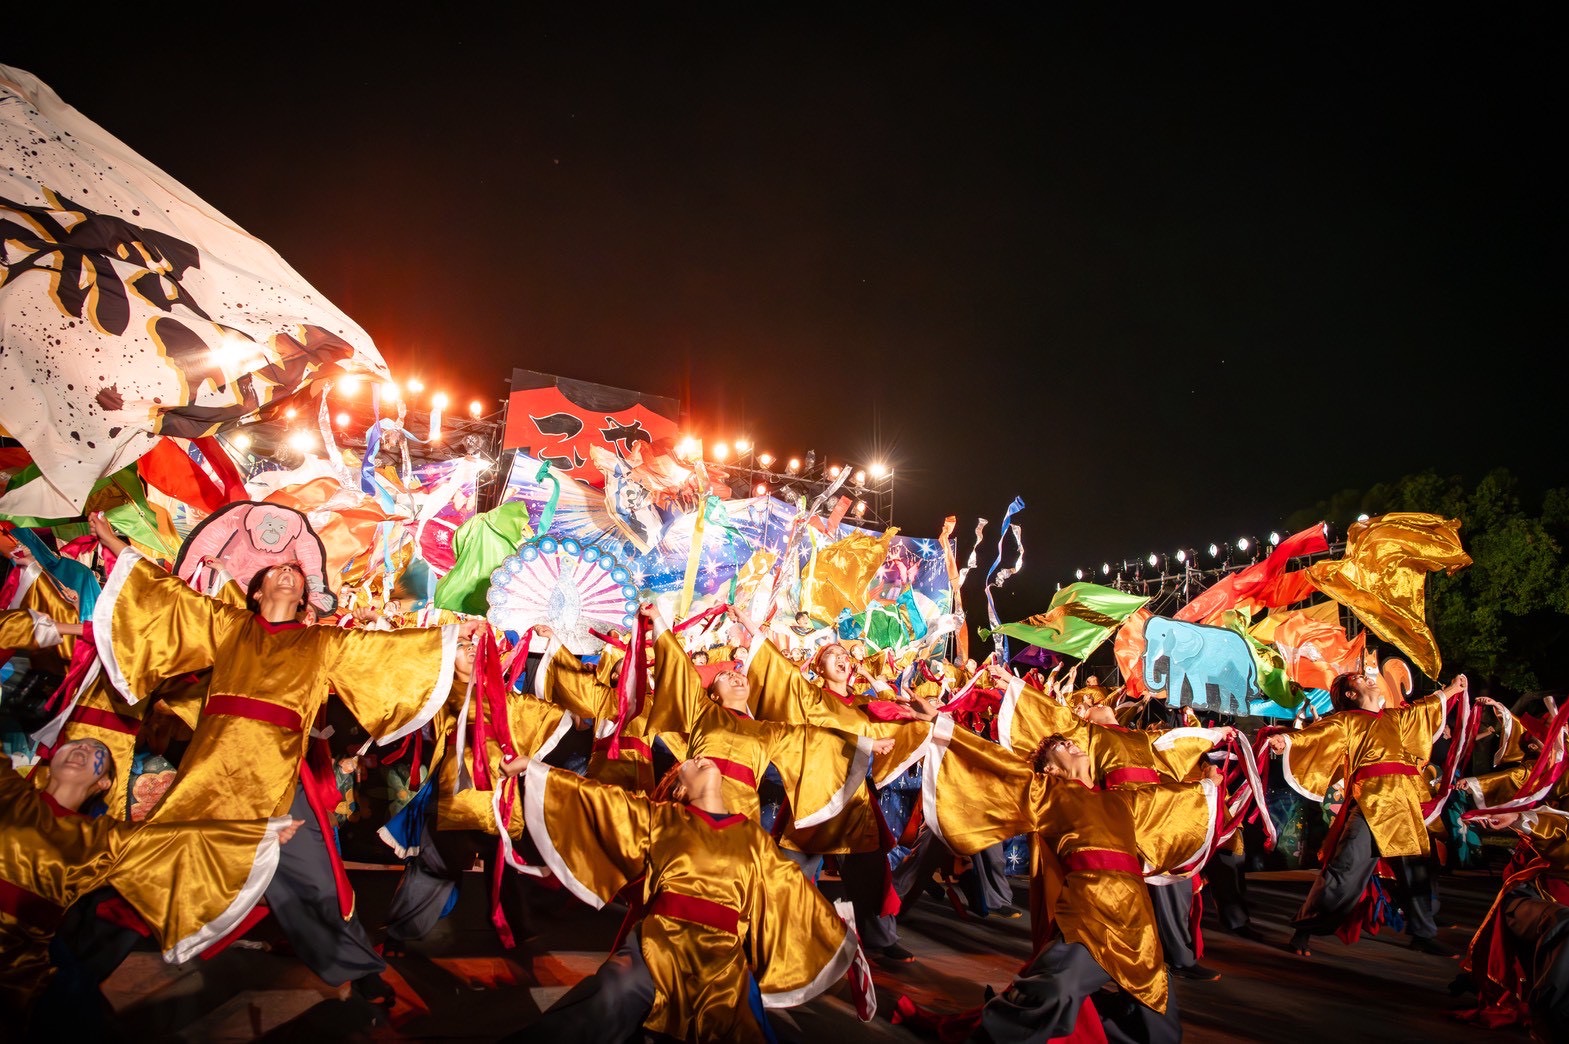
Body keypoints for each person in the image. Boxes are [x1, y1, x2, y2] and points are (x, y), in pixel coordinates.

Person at [81, 510, 479, 1000]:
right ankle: (75, 970)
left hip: (280, 786)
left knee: (316, 884)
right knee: (160, 864)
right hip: (209, 778)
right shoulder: (226, 625)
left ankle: (360, 974)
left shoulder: (322, 642)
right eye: (275, 569)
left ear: (305, 598)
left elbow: (384, 651)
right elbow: (167, 597)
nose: (288, 570)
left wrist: (449, 642)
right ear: (255, 590)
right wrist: (113, 543)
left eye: (295, 570)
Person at [500, 754, 874, 1042]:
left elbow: (793, 892)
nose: (700, 759)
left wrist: (843, 943)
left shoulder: (754, 839)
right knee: (603, 1006)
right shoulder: (661, 818)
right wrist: (531, 768)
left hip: (724, 964)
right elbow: (596, 798)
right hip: (657, 947)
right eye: (688, 764)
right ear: (679, 789)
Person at [920, 720, 1235, 1043]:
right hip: (1088, 915)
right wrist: (943, 726)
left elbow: (1173, 803)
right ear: (1051, 770)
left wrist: (1207, 787)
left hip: (1137, 924)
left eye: (1071, 742)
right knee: (1055, 989)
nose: (1073, 745)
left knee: (1160, 1029)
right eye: (1062, 747)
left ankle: (1087, 1021)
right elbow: (996, 762)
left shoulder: (1125, 800)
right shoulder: (1047, 794)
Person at [1, 739, 300, 1036]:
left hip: (13, 968)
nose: (82, 750)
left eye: (97, 753)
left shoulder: (103, 839)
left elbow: (182, 841)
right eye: (76, 744)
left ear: (104, 783)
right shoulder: (8, 789)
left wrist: (256, 838)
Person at [1269, 669, 1468, 956]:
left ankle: (1423, 933)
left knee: (1416, 872)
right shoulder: (1347, 721)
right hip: (1369, 804)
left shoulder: (1395, 718)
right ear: (1350, 694)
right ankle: (1306, 929)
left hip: (1403, 804)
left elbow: (1424, 710)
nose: (1369, 679)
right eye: (1360, 680)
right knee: (1344, 870)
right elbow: (1317, 734)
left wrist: (1451, 690)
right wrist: (1287, 741)